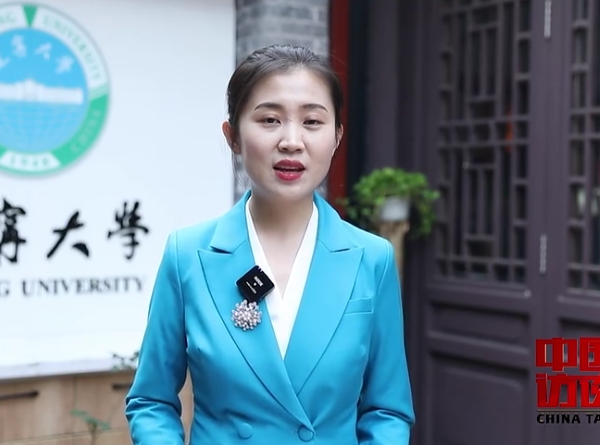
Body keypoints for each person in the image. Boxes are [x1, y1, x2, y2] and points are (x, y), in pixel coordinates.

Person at [125, 44, 415, 445]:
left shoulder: (372, 259)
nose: (292, 141)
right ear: (233, 137)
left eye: (312, 121)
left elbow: (387, 410)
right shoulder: (187, 255)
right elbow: (151, 401)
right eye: (270, 120)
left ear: (337, 136)